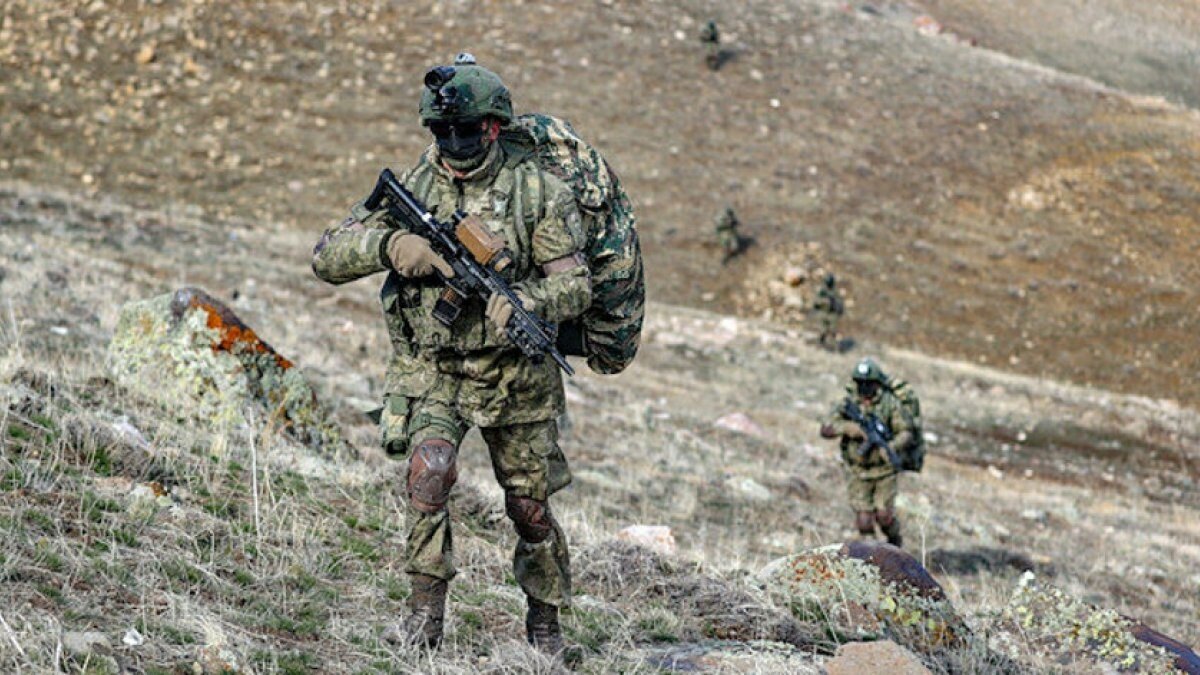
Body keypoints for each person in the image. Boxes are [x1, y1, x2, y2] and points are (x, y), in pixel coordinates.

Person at [311, 58, 590, 656]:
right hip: (435, 368)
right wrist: (391, 245)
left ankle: (545, 624)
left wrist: (529, 302)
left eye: (467, 131)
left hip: (516, 376)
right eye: (442, 132)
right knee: (429, 473)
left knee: (530, 508)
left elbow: (576, 286)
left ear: (494, 126)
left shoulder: (537, 191)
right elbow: (327, 254)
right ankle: (424, 619)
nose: (455, 144)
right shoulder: (418, 183)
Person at [820, 358, 914, 547]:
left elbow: (906, 432)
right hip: (858, 469)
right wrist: (849, 428)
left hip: (884, 470)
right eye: (860, 383)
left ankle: (895, 542)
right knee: (864, 521)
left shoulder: (889, 404)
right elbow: (826, 428)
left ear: (877, 384)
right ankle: (872, 554)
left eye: (868, 383)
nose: (864, 388)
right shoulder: (849, 402)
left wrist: (891, 446)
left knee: (884, 516)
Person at [811, 274, 844, 349]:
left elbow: (840, 303)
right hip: (823, 312)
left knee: (833, 331)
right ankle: (820, 344)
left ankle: (835, 346)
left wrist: (836, 306)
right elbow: (816, 302)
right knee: (823, 330)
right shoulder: (822, 291)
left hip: (832, 314)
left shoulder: (835, 292)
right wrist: (824, 301)